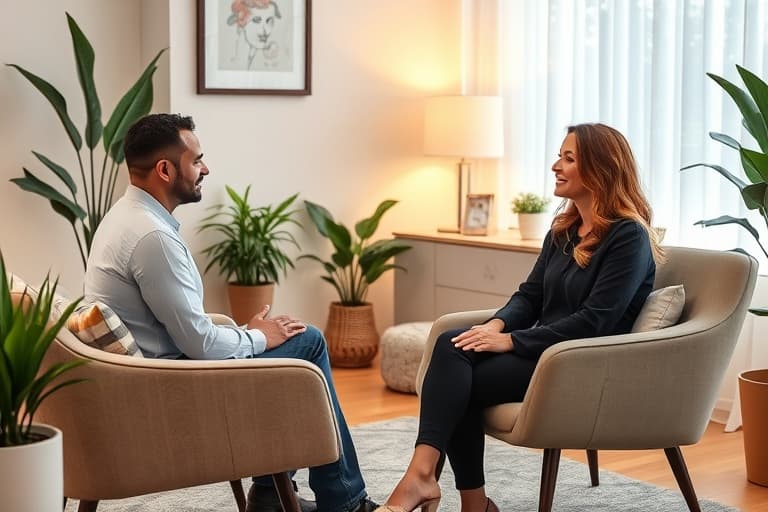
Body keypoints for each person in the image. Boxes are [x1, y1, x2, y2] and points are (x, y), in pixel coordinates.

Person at [84, 113, 378, 512]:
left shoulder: (124, 218)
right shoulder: (152, 238)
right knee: (307, 341)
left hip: (160, 373)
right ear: (165, 170)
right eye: (197, 160)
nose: (206, 168)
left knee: (284, 338)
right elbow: (200, 345)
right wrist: (257, 337)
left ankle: (272, 495)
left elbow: (181, 329)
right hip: (176, 390)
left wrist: (250, 334)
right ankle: (344, 503)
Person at [375, 123, 664, 512]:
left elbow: (597, 321)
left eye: (568, 158)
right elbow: (529, 297)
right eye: (559, 156)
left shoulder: (627, 236)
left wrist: (511, 340)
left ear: (601, 168)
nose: (555, 166)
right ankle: (432, 483)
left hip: (580, 364)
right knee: (451, 345)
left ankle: (444, 490)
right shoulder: (564, 230)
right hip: (544, 351)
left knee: (458, 383)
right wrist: (494, 325)